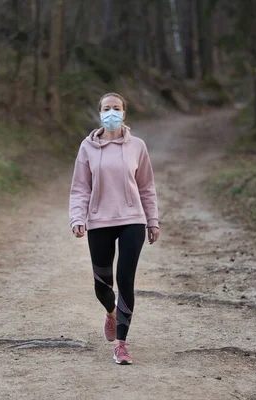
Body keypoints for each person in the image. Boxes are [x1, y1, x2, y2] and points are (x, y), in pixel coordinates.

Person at [69, 92, 160, 365]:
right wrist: (77, 218)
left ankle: (121, 343)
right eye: (107, 108)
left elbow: (147, 187)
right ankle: (110, 311)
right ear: (100, 114)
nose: (112, 112)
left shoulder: (138, 146)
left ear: (124, 113)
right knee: (102, 286)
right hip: (99, 222)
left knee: (126, 281)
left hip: (132, 220)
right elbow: (80, 188)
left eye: (116, 108)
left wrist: (152, 220)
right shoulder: (87, 148)